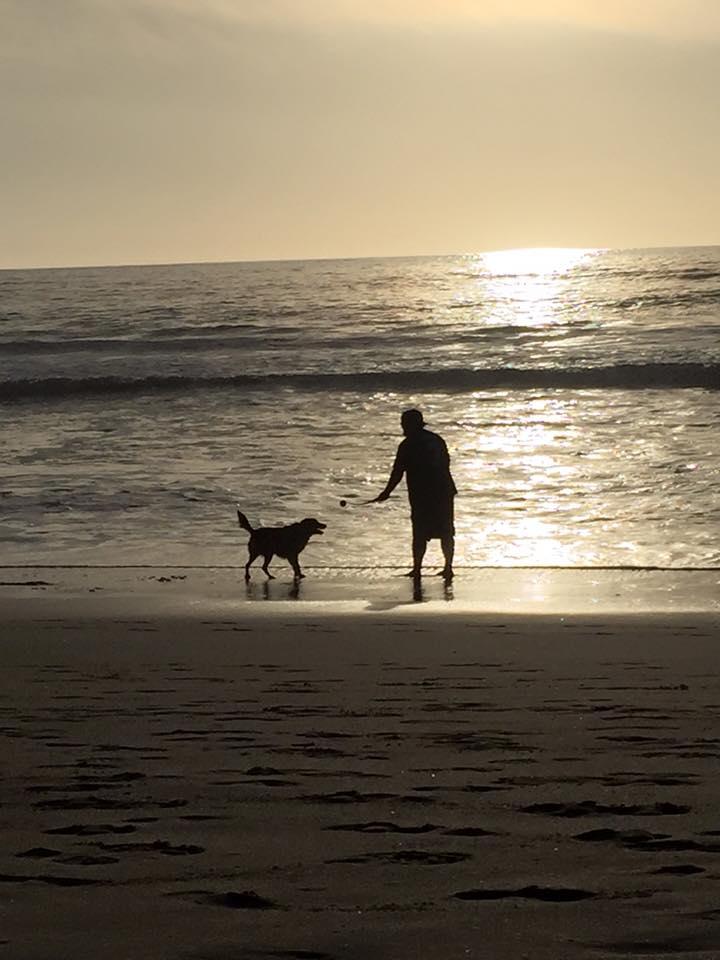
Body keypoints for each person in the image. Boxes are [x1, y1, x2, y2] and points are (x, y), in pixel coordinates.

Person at [372, 408, 457, 582]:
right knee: (446, 530)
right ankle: (448, 567)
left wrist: (386, 492)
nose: (402, 427)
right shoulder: (436, 440)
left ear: (410, 424)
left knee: (419, 532)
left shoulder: (408, 444)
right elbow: (445, 464)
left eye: (404, 423)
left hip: (423, 494)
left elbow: (398, 471)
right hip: (444, 491)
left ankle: (417, 568)